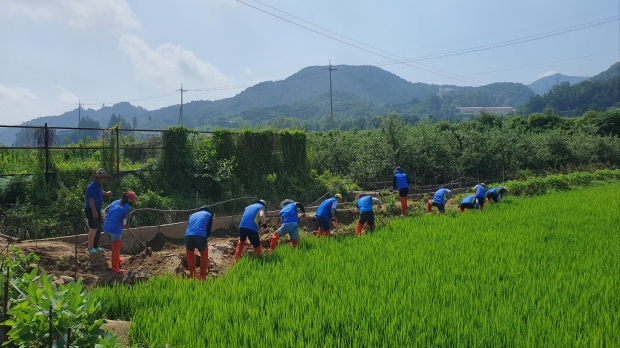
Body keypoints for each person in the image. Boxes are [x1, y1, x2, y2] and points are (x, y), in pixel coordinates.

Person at [103, 191, 136, 273]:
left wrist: (110, 220)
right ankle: (115, 268)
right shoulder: (127, 207)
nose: (131, 203)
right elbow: (124, 220)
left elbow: (104, 211)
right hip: (115, 230)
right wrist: (124, 225)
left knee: (114, 245)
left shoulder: (115, 202)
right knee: (116, 249)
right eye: (132, 201)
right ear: (129, 199)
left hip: (106, 227)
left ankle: (117, 259)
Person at [85, 168, 112, 253]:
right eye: (102, 177)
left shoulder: (98, 186)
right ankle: (90, 247)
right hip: (91, 210)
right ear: (98, 178)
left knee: (99, 228)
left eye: (105, 177)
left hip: (96, 210)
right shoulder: (92, 186)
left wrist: (106, 193)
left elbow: (100, 191)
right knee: (93, 228)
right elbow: (91, 200)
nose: (104, 179)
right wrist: (94, 212)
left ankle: (96, 246)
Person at [184, 206, 214, 279]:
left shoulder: (192, 215)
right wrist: (204, 239)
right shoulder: (209, 215)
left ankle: (193, 276)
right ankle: (202, 276)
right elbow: (208, 230)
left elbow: (191, 226)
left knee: (190, 255)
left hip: (188, 235)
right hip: (200, 235)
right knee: (204, 255)